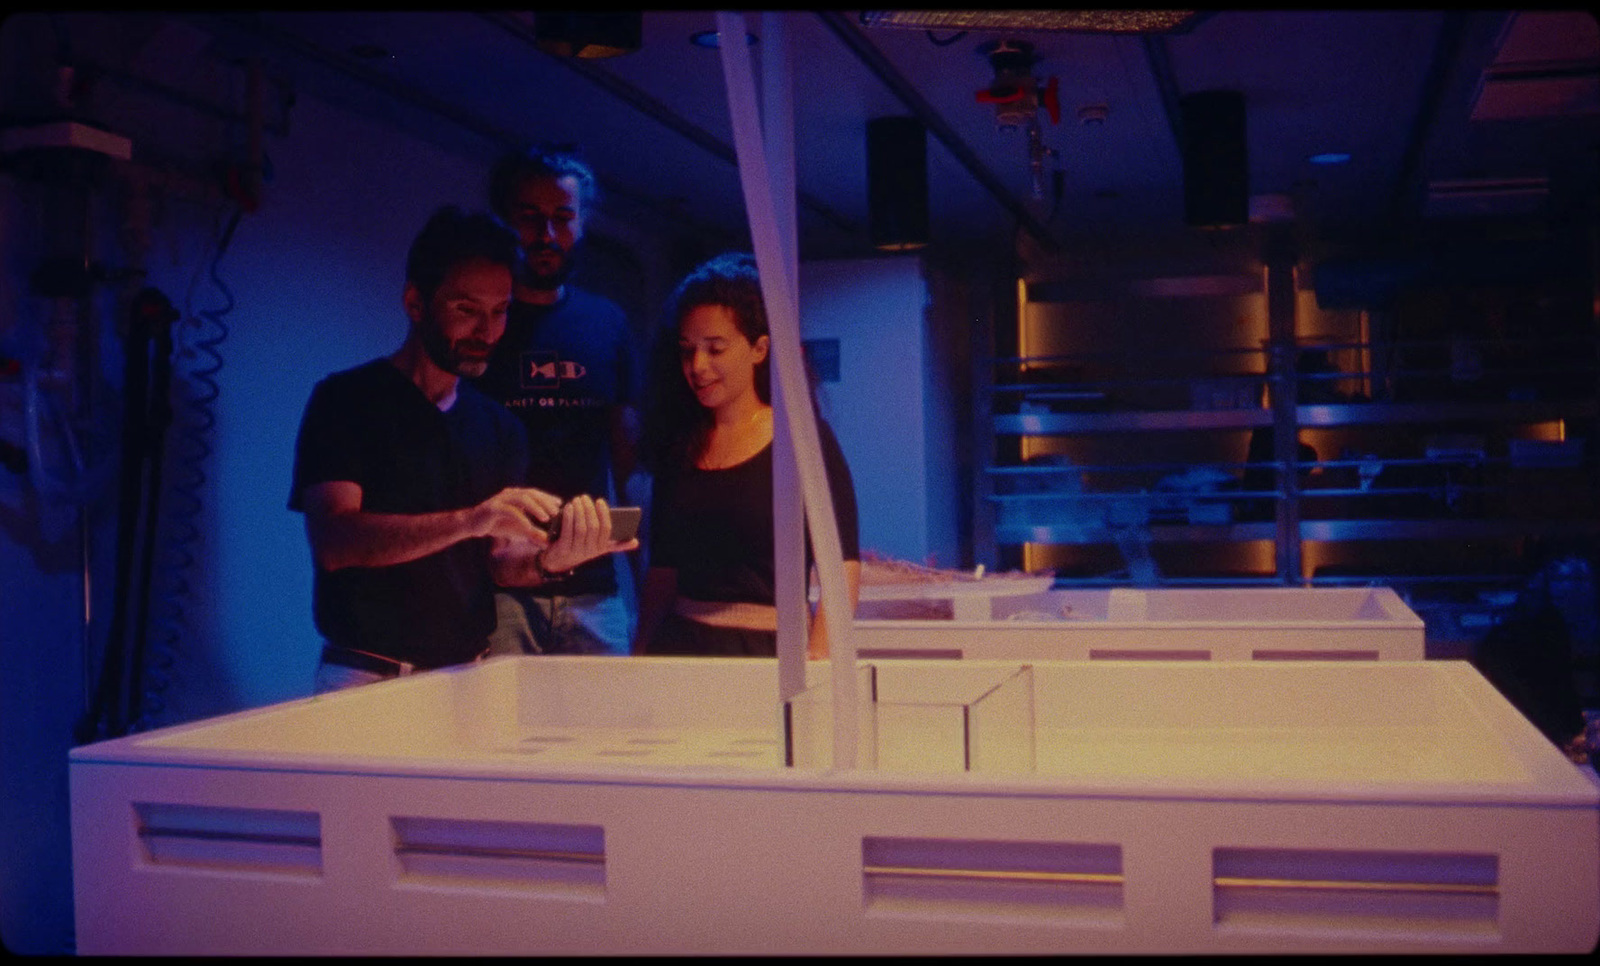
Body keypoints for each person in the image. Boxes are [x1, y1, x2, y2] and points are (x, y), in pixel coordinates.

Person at [288, 205, 637, 693]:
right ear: (415, 302)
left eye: (499, 312)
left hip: (465, 678)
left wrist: (552, 560)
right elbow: (336, 542)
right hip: (369, 674)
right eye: (466, 310)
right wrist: (472, 519)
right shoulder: (347, 400)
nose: (487, 332)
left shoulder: (498, 426)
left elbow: (500, 561)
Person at [632, 253, 860, 659]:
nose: (698, 366)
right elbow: (663, 572)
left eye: (715, 349)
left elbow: (841, 567)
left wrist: (821, 661)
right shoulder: (680, 446)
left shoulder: (803, 439)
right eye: (687, 350)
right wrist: (640, 651)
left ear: (759, 349)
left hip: (769, 651)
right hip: (680, 650)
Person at [474, 147, 641, 656]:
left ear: (582, 224)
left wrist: (645, 582)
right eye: (530, 218)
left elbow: (629, 461)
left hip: (593, 589)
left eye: (563, 218)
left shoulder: (607, 323)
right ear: (504, 221)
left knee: (609, 732)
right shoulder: (482, 327)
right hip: (497, 592)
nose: (546, 235)